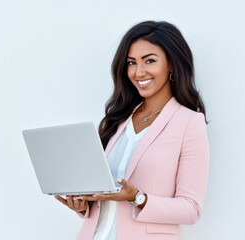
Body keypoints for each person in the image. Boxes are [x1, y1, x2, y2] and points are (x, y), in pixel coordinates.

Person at [55, 20, 210, 240]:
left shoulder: (188, 123)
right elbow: (105, 196)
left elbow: (191, 208)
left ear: (172, 64)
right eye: (131, 62)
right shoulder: (116, 121)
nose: (138, 72)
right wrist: (83, 204)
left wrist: (138, 197)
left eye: (150, 61)